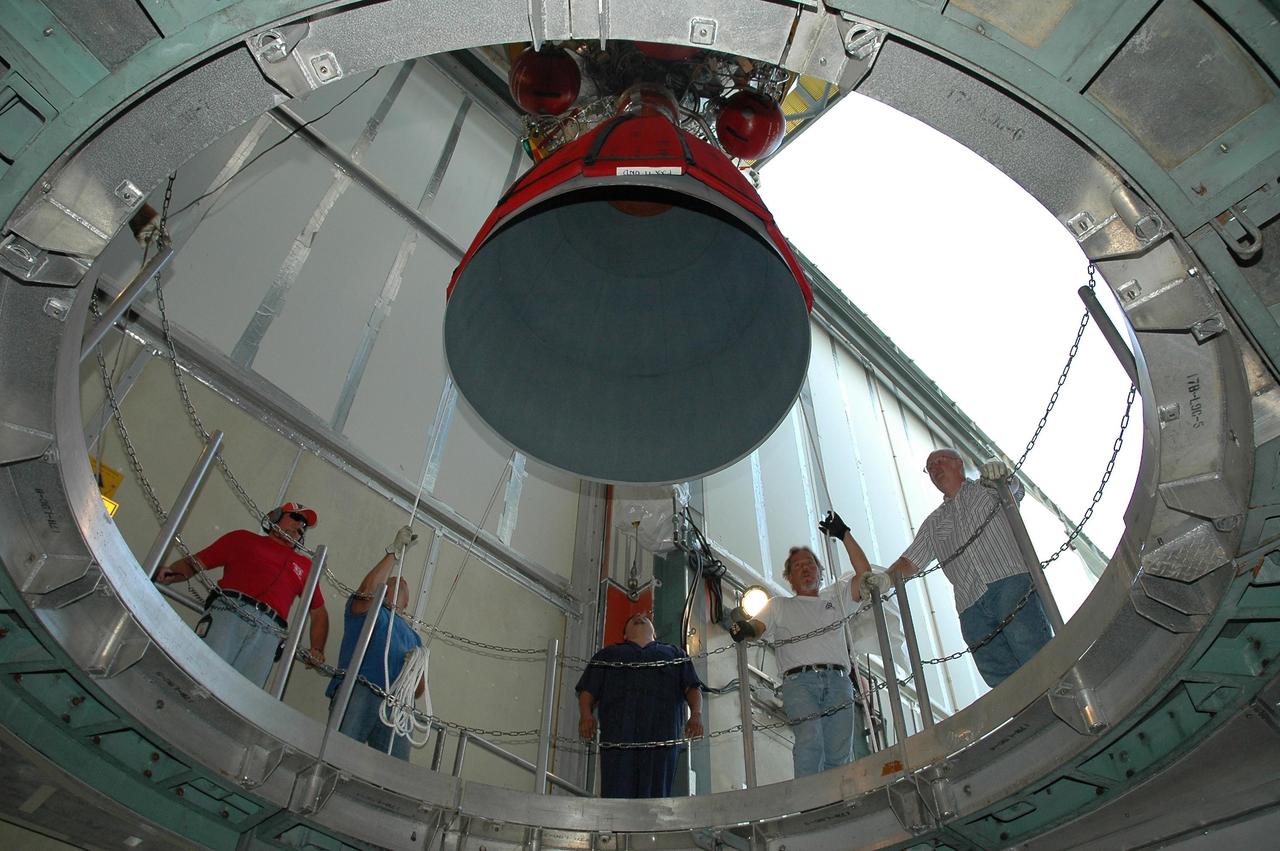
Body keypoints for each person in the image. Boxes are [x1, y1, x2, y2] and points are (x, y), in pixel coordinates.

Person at [826, 449, 1053, 688]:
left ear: (959, 464)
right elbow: (910, 561)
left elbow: (1015, 491)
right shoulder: (934, 523)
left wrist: (1002, 474)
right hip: (970, 606)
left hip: (1009, 581)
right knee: (998, 674)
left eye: (939, 462)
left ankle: (1060, 698)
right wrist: (885, 579)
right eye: (929, 468)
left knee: (1034, 651)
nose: (934, 469)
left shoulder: (987, 488)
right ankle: (1027, 717)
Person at [729, 545, 870, 777]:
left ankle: (837, 805)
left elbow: (864, 575)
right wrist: (746, 628)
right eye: (797, 566)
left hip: (838, 681)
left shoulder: (837, 602)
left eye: (810, 564)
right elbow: (758, 626)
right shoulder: (778, 605)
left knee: (839, 751)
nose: (805, 568)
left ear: (819, 572)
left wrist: (844, 535)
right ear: (789, 578)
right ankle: (810, 805)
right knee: (810, 739)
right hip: (800, 683)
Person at [157, 502, 329, 688]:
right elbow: (196, 563)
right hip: (230, 612)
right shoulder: (242, 538)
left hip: (270, 631)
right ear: (275, 516)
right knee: (201, 675)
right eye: (295, 517)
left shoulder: (305, 566)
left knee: (244, 693)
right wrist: (170, 574)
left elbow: (319, 613)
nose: (300, 526)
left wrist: (317, 649)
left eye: (304, 525)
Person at [576, 612, 704, 798]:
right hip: (619, 734)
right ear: (624, 635)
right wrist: (586, 716)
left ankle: (653, 824)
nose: (639, 616)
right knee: (617, 789)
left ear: (655, 633)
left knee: (657, 792)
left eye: (645, 618)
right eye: (633, 619)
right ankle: (619, 825)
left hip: (662, 735)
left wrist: (696, 715)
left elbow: (692, 687)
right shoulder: (608, 654)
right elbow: (588, 691)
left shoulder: (674, 654)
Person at [326, 525, 425, 760]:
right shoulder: (370, 612)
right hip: (360, 689)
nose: (398, 579)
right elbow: (367, 591)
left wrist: (415, 667)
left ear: (407, 601)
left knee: (394, 772)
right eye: (390, 581)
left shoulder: (414, 637)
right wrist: (394, 552)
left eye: (402, 584)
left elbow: (418, 690)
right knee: (340, 754)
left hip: (397, 705)